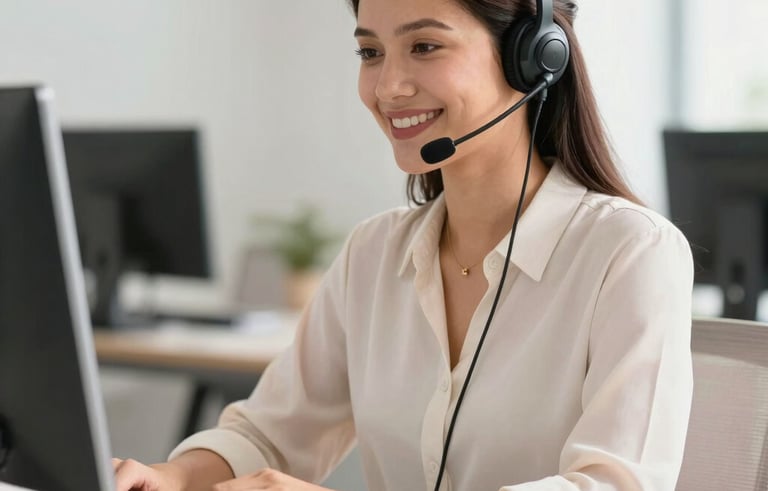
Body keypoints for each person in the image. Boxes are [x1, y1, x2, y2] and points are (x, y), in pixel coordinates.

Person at [112, 0, 694, 489]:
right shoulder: (373, 254)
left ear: (532, 58)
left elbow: (611, 486)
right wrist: (176, 476)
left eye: (425, 47)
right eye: (370, 53)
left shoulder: (629, 254)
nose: (388, 86)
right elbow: (270, 433)